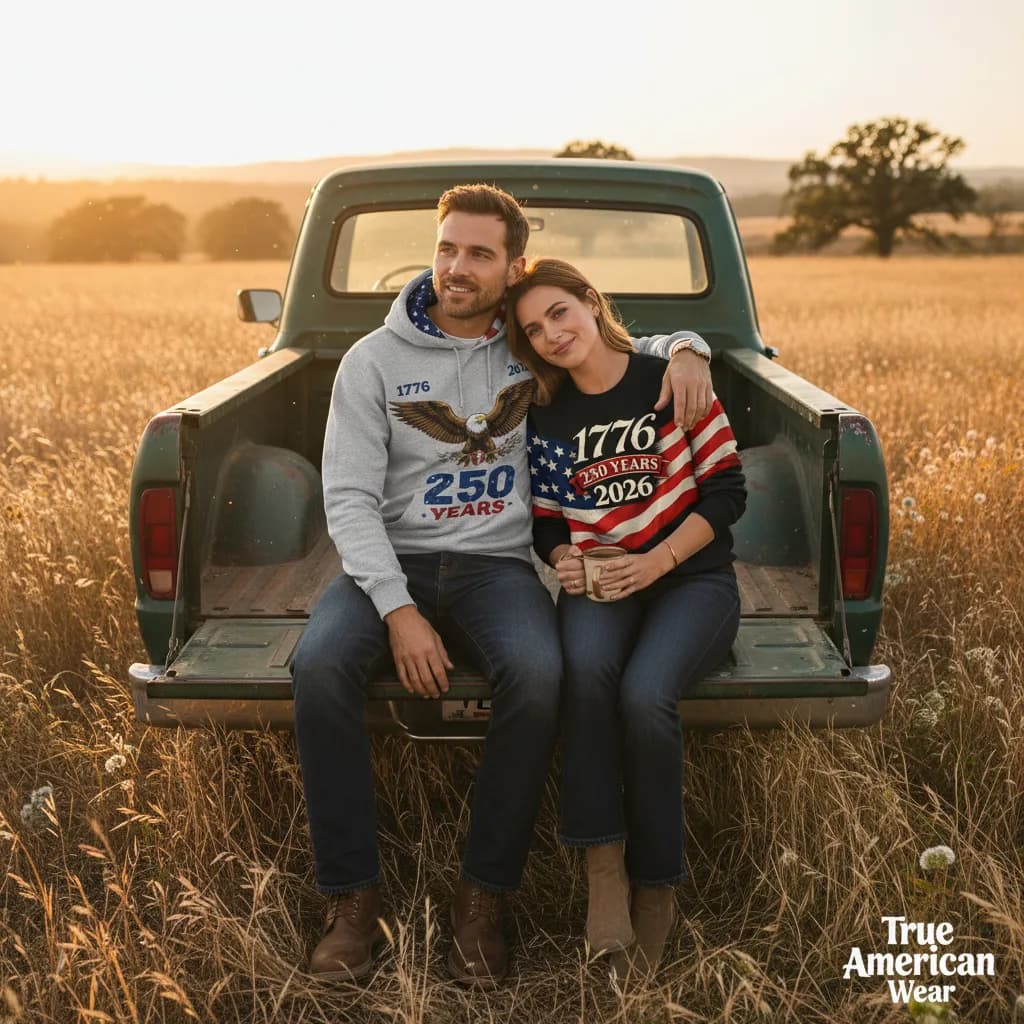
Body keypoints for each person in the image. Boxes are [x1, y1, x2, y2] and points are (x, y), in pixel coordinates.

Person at [290, 185, 715, 985]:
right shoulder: (372, 362)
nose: (456, 266)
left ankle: (484, 897)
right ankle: (352, 903)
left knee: (541, 672)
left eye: (479, 254)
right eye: (447, 247)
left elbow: (614, 344)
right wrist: (398, 610)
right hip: (393, 560)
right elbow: (346, 497)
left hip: (495, 567)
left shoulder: (527, 346)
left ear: (512, 267)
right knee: (318, 667)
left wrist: (690, 345)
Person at [506, 258, 747, 976]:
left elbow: (728, 493)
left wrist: (659, 563)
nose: (551, 334)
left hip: (693, 580)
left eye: (559, 313)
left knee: (645, 697)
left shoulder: (669, 380)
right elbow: (547, 521)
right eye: (532, 330)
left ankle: (657, 889)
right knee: (584, 676)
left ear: (589, 301)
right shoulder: (546, 415)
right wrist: (563, 561)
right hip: (605, 583)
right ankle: (603, 875)